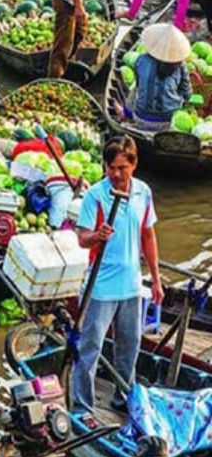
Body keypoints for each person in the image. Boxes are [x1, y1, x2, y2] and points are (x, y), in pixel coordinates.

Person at [73, 135, 162, 422]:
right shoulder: (96, 195)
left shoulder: (143, 193)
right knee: (90, 348)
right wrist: (96, 236)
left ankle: (123, 397)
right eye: (111, 167)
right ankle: (82, 407)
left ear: (133, 165)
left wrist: (156, 279)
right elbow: (82, 238)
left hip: (131, 285)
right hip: (100, 287)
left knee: (129, 346)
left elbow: (148, 236)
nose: (115, 174)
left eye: (122, 168)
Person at [128, 23, 193, 130]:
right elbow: (187, 94)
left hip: (141, 118)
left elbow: (139, 86)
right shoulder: (180, 65)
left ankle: (126, 113)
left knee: (134, 87)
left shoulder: (141, 60)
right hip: (168, 122)